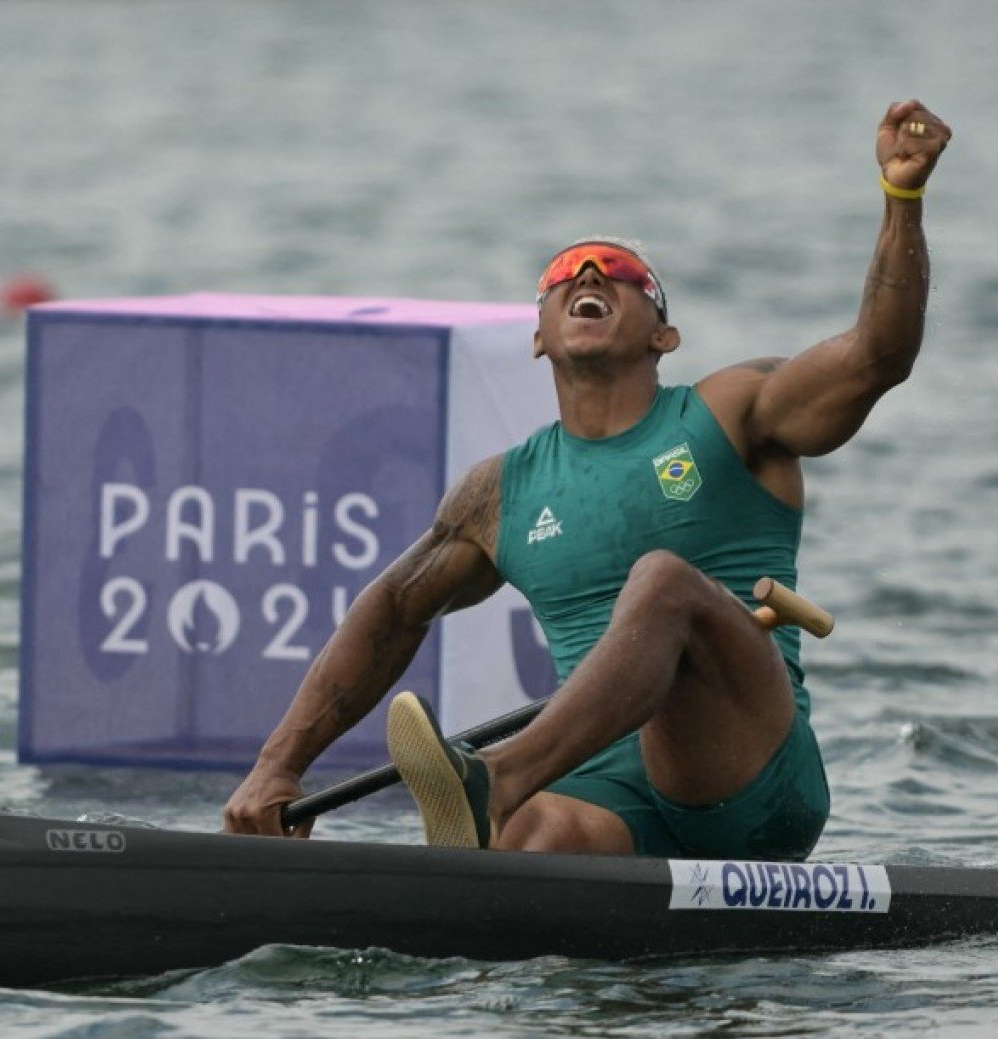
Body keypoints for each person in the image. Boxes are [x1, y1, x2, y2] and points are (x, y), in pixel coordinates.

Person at [224, 100, 951, 857]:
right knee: (529, 842)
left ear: (664, 335)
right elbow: (391, 611)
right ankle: (498, 837)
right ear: (538, 336)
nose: (592, 273)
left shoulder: (732, 412)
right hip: (607, 796)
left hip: (750, 781)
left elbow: (877, 357)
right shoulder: (498, 492)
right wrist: (277, 769)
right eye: (563, 273)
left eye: (623, 273)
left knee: (663, 581)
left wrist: (903, 200)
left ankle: (498, 782)